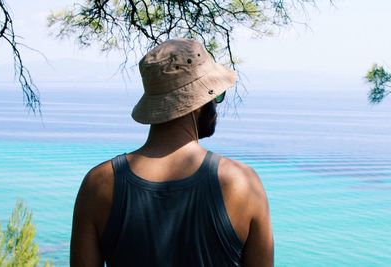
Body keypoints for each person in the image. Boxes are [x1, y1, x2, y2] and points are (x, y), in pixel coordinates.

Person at [70, 39, 273, 267]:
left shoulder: (99, 183)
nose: (217, 105)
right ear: (196, 102)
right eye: (216, 96)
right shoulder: (242, 183)